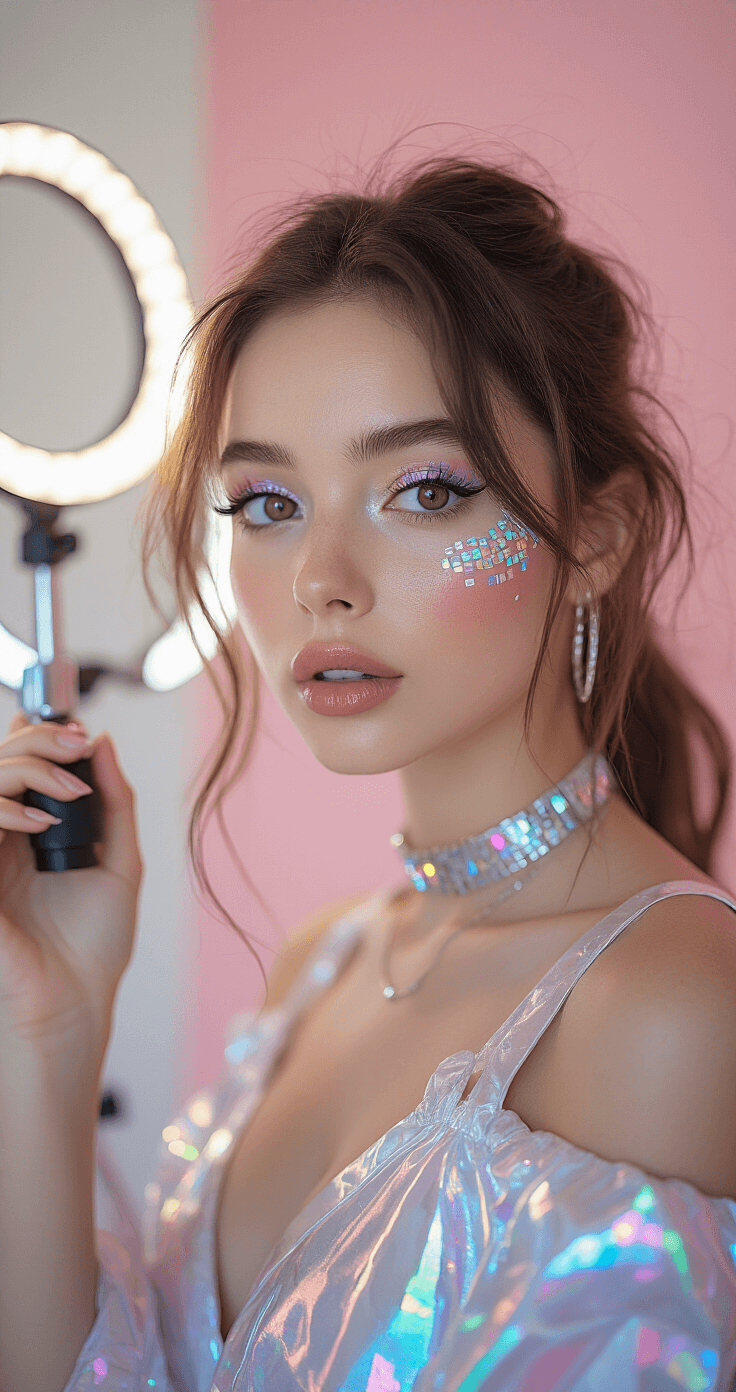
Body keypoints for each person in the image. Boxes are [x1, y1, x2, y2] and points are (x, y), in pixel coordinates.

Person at [1, 155, 735, 1392]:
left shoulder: (670, 1010)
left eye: (425, 490)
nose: (318, 580)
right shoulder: (325, 962)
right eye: (266, 501)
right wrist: (47, 1027)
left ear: (598, 538)